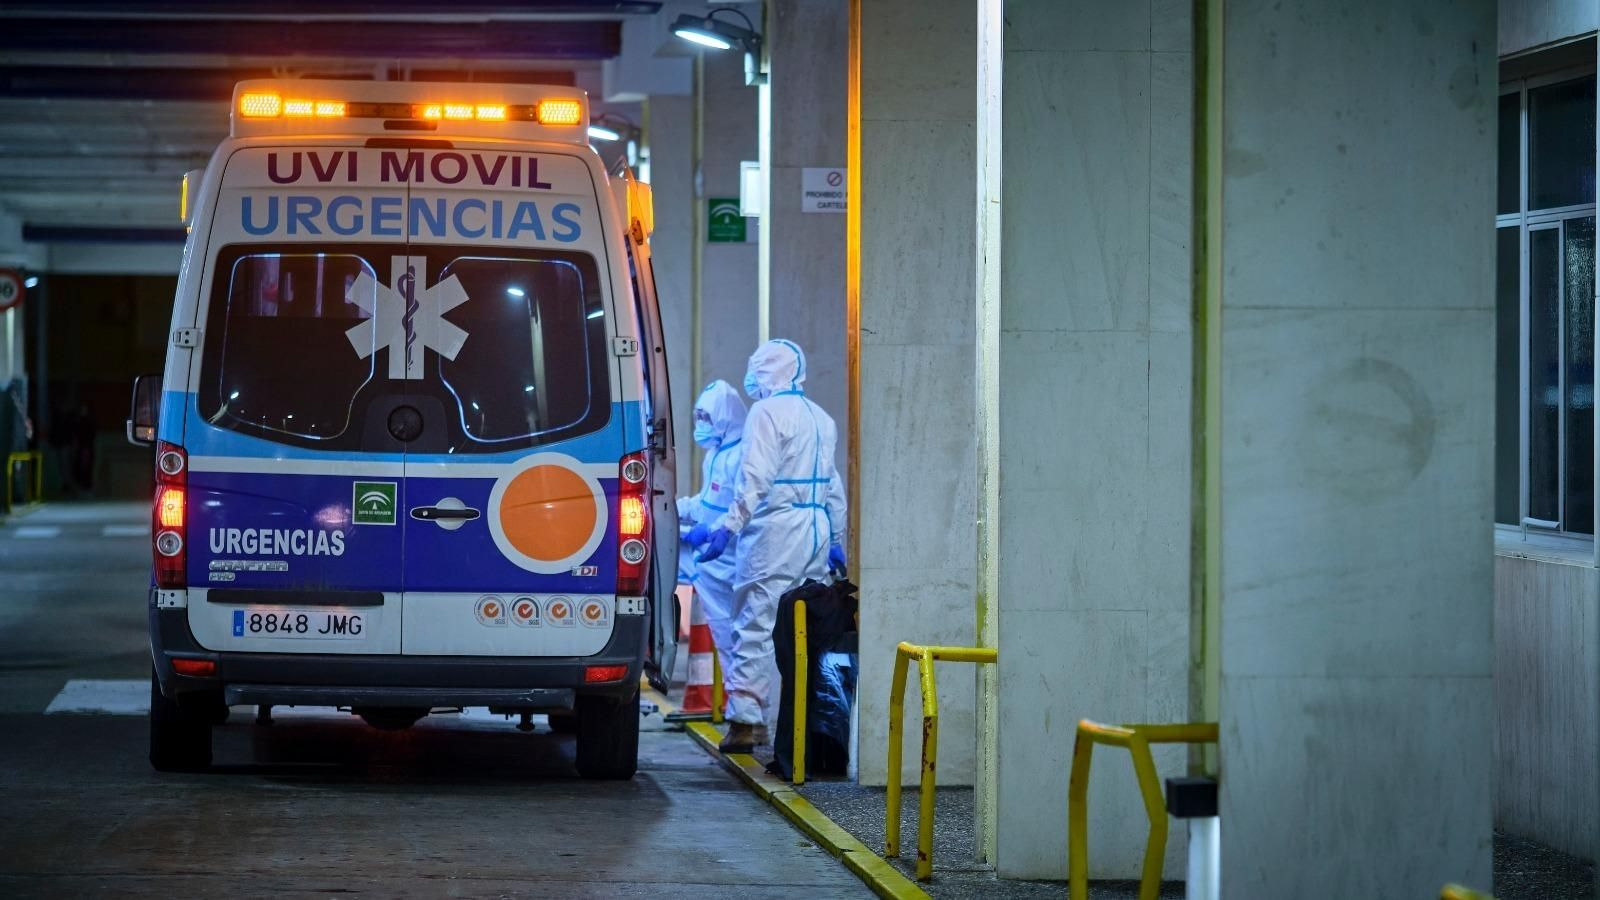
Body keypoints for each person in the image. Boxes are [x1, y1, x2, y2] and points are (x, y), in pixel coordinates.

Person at [693, 340, 847, 753]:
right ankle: (793, 722)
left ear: (765, 371)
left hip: (774, 532)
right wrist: (835, 538)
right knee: (802, 629)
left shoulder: (765, 412)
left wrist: (728, 527)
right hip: (814, 532)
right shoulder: (821, 417)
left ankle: (747, 722)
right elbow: (833, 485)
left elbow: (755, 479)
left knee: (755, 625)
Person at [677, 381, 748, 716]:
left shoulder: (743, 455)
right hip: (713, 560)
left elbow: (743, 507)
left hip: (731, 559)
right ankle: (740, 712)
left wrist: (710, 530)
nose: (701, 424)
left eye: (707, 417)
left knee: (738, 640)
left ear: (725, 416)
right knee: (725, 638)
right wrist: (677, 509)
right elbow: (708, 502)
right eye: (698, 417)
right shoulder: (715, 455)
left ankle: (746, 713)